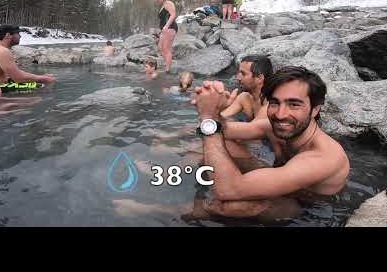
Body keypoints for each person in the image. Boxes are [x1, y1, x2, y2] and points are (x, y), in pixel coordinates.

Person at [113, 67, 350, 223]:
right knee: (228, 146)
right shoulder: (276, 125)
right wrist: (213, 109)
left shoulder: (323, 157)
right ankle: (166, 168)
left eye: (294, 104)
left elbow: (228, 191)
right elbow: (227, 130)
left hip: (306, 206)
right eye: (275, 103)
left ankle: (159, 211)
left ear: (316, 109)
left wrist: (208, 120)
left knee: (237, 205)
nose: (280, 113)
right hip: (279, 177)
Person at [0, 25, 56, 96]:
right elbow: (19, 78)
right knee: (42, 86)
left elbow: (15, 73)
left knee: (34, 81)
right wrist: (43, 78)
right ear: (8, 35)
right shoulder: (2, 51)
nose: (20, 36)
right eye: (17, 34)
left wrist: (40, 76)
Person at [220, 55, 273, 122]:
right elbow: (220, 118)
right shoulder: (245, 98)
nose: (238, 78)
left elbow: (252, 129)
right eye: (239, 73)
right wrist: (222, 107)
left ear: (259, 78)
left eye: (243, 74)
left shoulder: (271, 104)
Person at [153, 0, 178, 73]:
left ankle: (167, 69)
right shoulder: (163, 5)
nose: (156, 0)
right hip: (165, 30)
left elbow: (173, 15)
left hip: (170, 28)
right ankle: (168, 63)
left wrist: (166, 26)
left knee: (166, 49)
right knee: (161, 48)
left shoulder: (168, 3)